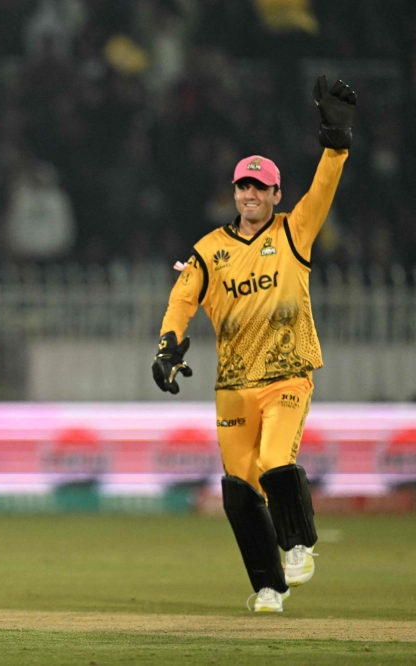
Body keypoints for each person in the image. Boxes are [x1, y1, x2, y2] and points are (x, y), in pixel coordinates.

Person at [152, 76, 356, 613]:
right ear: (234, 191)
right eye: (244, 186)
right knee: (239, 490)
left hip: (288, 375)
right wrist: (168, 346)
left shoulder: (294, 232)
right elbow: (182, 301)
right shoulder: (209, 249)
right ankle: (270, 585)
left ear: (276, 195)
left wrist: (336, 143)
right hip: (234, 387)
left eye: (261, 188)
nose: (251, 195)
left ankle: (299, 545)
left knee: (273, 460)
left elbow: (324, 189)